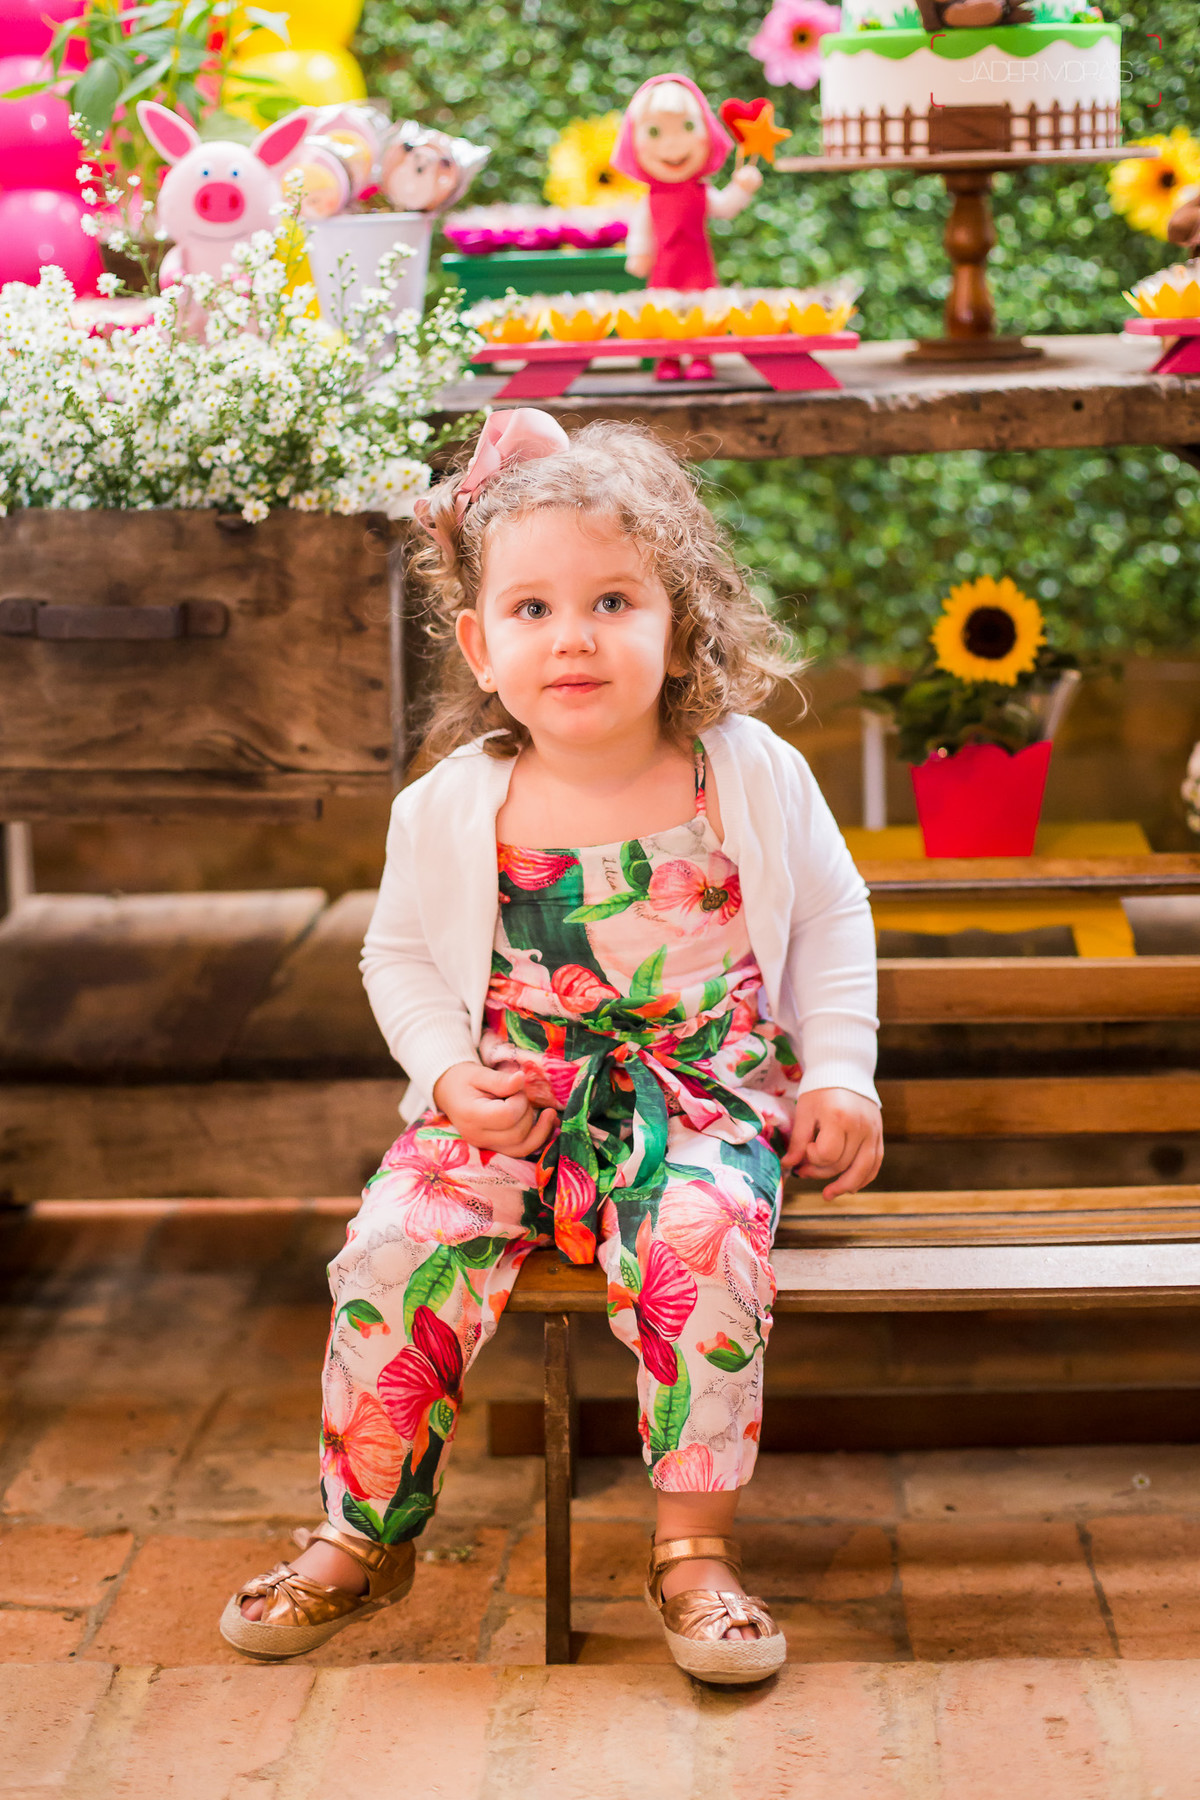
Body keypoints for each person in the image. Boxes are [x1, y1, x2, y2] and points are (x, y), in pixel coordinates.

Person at [220, 409, 883, 1684]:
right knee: (391, 1248)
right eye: (531, 608)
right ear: (480, 643)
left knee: (703, 1254)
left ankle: (694, 1551)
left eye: (612, 601)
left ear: (680, 624)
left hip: (695, 1106)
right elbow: (398, 960)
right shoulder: (450, 804)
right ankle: (360, 1533)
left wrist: (842, 1070)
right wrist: (446, 1076)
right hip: (508, 1113)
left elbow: (833, 916)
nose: (571, 636)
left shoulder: (745, 773)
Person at [614, 74, 762, 382]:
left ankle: (701, 355)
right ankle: (667, 358)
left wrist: (742, 188)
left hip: (697, 264)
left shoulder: (701, 191)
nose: (672, 144)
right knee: (663, 310)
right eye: (654, 132)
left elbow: (725, 207)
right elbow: (640, 229)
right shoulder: (650, 198)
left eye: (689, 127)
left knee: (701, 310)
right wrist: (639, 252)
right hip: (665, 266)